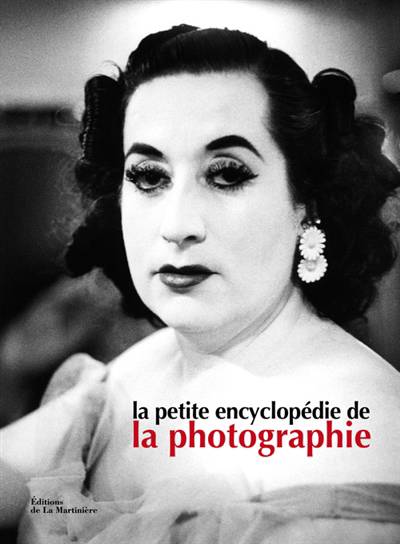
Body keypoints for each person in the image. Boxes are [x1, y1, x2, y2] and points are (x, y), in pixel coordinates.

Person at [1, 25, 400, 543]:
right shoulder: (136, 373)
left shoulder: (357, 446)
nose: (177, 224)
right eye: (149, 176)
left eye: (227, 174)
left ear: (306, 203)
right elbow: (38, 491)